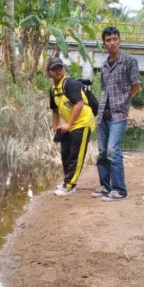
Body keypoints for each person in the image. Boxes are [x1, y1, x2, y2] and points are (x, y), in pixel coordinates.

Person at [93, 26, 142, 201]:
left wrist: (125, 100)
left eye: (115, 39)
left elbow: (137, 85)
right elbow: (104, 89)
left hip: (118, 114)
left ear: (120, 41)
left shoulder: (129, 61)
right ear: (104, 43)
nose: (112, 42)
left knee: (113, 150)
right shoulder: (104, 65)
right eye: (108, 40)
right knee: (102, 152)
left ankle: (120, 190)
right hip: (102, 114)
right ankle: (106, 187)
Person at [48, 57, 95, 196]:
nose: (57, 71)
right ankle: (67, 182)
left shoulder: (70, 84)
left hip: (83, 122)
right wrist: (55, 127)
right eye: (54, 69)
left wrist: (68, 124)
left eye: (60, 68)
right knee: (65, 154)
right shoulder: (53, 89)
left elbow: (79, 104)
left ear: (64, 69)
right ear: (49, 72)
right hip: (69, 125)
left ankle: (69, 185)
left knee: (76, 155)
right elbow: (55, 110)